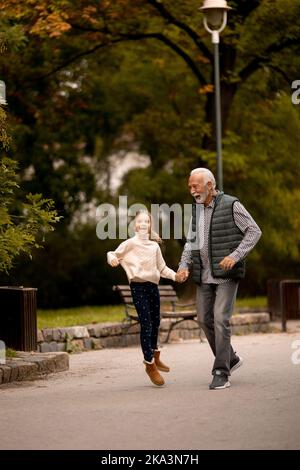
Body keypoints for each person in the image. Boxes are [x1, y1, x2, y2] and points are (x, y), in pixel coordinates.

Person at [177, 168, 262, 390]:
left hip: (225, 275)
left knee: (220, 319)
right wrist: (184, 265)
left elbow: (253, 231)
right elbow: (190, 241)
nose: (192, 190)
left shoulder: (232, 204)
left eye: (195, 186)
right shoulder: (195, 210)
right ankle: (231, 358)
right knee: (204, 319)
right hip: (204, 275)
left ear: (210, 186)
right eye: (190, 186)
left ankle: (221, 371)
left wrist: (235, 256)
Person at [107, 210, 182, 387]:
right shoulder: (130, 244)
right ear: (135, 225)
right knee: (146, 323)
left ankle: (155, 355)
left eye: (146, 222)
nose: (143, 224)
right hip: (138, 287)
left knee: (156, 321)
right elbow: (112, 253)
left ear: (150, 226)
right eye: (140, 221)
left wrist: (176, 276)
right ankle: (149, 364)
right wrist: (113, 260)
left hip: (153, 287)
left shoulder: (154, 246)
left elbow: (162, 268)